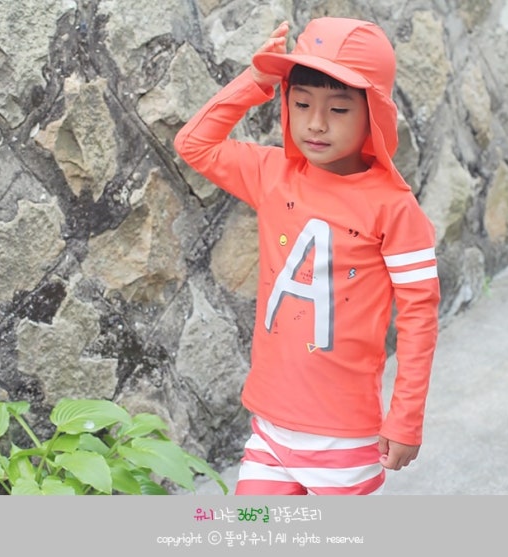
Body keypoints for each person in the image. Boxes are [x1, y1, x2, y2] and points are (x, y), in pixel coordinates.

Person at [174, 17, 440, 495]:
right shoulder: (272, 173)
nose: (316, 123)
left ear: (374, 116)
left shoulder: (395, 209)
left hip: (344, 436)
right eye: (301, 104)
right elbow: (193, 144)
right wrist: (255, 80)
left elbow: (419, 315)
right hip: (270, 428)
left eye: (338, 109)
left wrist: (406, 417)